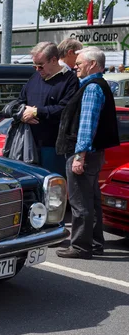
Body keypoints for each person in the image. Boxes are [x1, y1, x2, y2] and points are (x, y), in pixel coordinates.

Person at [56, 47, 120, 259]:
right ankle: (93, 243)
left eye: (80, 63)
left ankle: (81, 247)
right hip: (93, 154)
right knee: (91, 201)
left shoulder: (91, 88)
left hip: (85, 154)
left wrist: (79, 156)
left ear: (92, 64)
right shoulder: (99, 85)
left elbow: (86, 125)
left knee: (80, 203)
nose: (76, 66)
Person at [18, 41, 79, 177]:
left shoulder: (70, 80)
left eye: (40, 66)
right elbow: (20, 101)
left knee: (53, 185)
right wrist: (22, 113)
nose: (37, 70)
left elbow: (66, 109)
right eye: (35, 66)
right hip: (30, 144)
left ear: (54, 60)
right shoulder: (34, 78)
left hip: (54, 147)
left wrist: (36, 112)